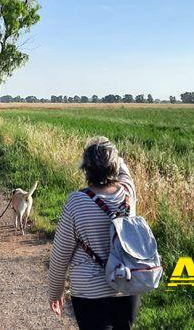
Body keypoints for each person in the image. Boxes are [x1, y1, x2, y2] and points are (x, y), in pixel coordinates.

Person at [48, 136, 139, 330]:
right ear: (114, 166)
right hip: (126, 286)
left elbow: (60, 254)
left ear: (86, 168)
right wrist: (112, 155)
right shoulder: (127, 194)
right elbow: (125, 173)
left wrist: (55, 292)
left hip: (90, 292)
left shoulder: (76, 202)